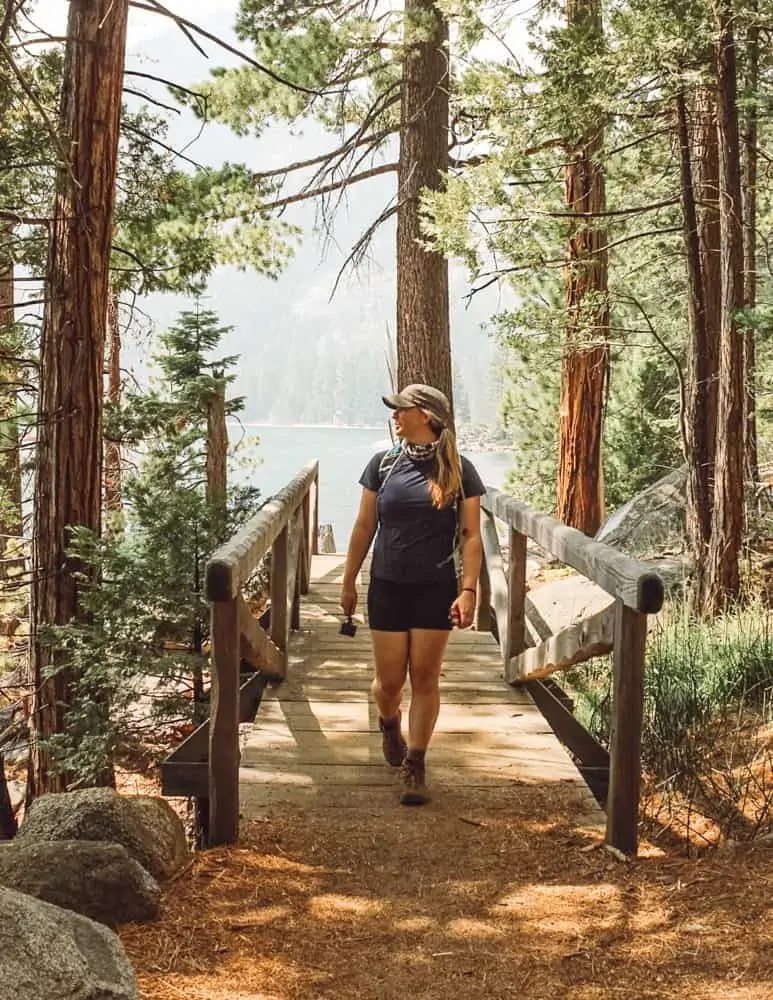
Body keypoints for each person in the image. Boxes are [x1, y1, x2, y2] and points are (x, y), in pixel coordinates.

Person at [340, 383, 485, 806]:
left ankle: (416, 765)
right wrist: (348, 582)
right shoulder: (382, 465)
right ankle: (389, 723)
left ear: (426, 415)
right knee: (388, 683)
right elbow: (364, 527)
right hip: (386, 585)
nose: (395, 417)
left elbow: (471, 535)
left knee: (424, 677)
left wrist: (468, 590)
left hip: (434, 588)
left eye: (401, 410)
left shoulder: (460, 470)